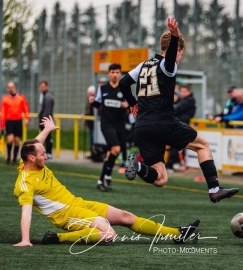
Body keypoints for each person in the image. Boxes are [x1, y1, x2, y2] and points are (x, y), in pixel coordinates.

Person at [13, 116, 200, 247]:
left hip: (77, 203)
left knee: (126, 217)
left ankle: (178, 233)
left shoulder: (28, 158)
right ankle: (60, 238)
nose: (46, 156)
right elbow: (26, 212)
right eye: (43, 154)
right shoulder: (25, 182)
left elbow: (35, 144)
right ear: (31, 158)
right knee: (109, 234)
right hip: (66, 215)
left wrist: (46, 130)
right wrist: (25, 239)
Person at [118, 18, 239, 203]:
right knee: (203, 145)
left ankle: (138, 167)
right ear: (178, 51)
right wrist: (175, 37)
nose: (180, 58)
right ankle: (214, 189)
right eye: (180, 53)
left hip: (142, 126)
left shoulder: (143, 66)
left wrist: (133, 102)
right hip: (164, 123)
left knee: (160, 179)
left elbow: (123, 83)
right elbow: (169, 60)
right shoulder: (169, 65)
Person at [90, 63, 128, 192]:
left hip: (120, 125)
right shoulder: (103, 88)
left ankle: (103, 179)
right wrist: (92, 102)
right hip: (107, 124)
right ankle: (106, 176)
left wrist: (126, 105)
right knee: (116, 149)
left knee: (110, 153)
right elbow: (97, 104)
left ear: (120, 74)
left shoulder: (124, 88)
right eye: (112, 72)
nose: (115, 74)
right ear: (109, 74)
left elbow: (131, 105)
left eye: (117, 72)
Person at [0, 81, 30, 165]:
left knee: (17, 140)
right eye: (9, 87)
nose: (10, 89)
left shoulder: (21, 98)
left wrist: (27, 118)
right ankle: (8, 156)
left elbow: (26, 108)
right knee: (10, 139)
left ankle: (14, 159)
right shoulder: (5, 99)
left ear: (15, 87)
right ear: (7, 88)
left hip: (18, 121)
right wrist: (2, 125)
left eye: (12, 87)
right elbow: (2, 113)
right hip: (9, 121)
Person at [38, 80, 54, 160]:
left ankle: (48, 153)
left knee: (47, 137)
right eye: (41, 87)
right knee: (45, 137)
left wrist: (43, 121)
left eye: (43, 87)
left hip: (46, 120)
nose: (42, 88)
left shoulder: (48, 96)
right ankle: (46, 153)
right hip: (45, 119)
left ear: (46, 86)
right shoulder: (43, 95)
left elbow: (47, 110)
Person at [81, 85, 97, 158]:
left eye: (91, 93)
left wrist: (85, 115)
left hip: (95, 124)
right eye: (89, 93)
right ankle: (92, 154)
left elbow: (92, 112)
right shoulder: (88, 100)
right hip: (90, 123)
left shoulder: (95, 100)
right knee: (91, 140)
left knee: (94, 140)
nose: (89, 95)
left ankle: (95, 154)